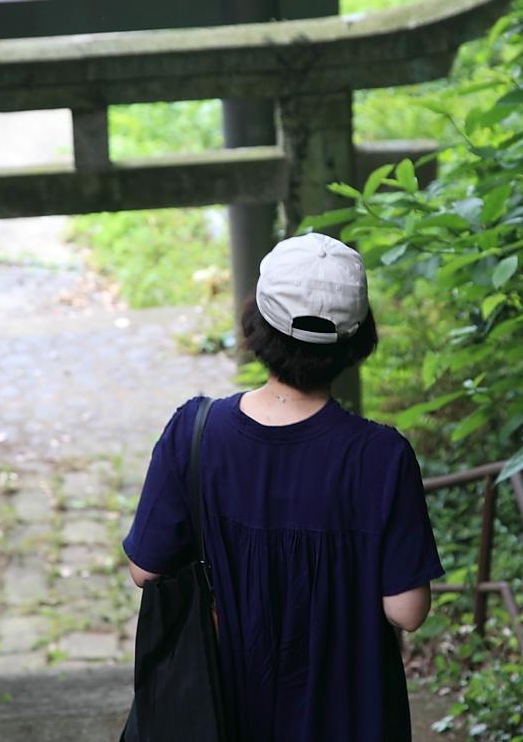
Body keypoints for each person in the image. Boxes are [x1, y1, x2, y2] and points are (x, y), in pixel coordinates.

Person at [122, 232, 444, 742]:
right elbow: (406, 611)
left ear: (256, 326)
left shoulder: (195, 431)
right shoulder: (381, 457)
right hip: (350, 715)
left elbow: (145, 568)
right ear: (358, 341)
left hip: (222, 711)